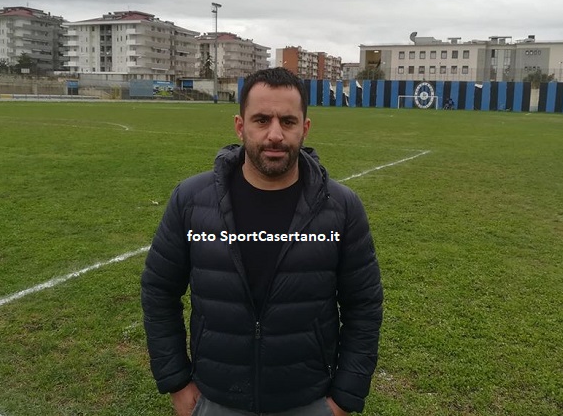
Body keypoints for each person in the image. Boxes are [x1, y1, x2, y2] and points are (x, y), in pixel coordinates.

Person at [141, 67, 383, 415]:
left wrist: (345, 397)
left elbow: (364, 306)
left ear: (305, 128)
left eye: (288, 121)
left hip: (308, 401)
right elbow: (159, 290)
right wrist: (177, 380)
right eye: (261, 120)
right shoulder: (192, 200)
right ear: (240, 126)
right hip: (215, 399)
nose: (275, 135)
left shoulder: (341, 208)